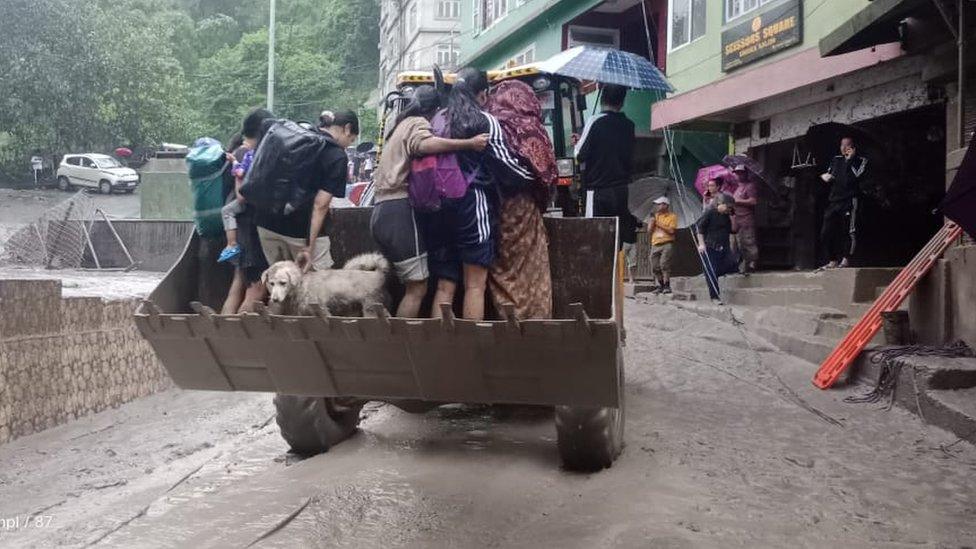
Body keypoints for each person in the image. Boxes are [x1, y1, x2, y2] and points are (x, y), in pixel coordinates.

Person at [423, 67, 534, 321]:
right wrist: (536, 178)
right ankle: (470, 352)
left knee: (444, 284)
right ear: (483, 94)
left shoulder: (439, 118)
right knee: (475, 285)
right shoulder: (484, 121)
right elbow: (509, 166)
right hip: (472, 205)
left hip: (438, 207)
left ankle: (436, 348)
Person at [369, 85, 488, 318]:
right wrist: (468, 143)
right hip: (398, 210)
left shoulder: (400, 125)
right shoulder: (418, 123)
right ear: (434, 109)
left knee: (410, 284)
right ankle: (402, 342)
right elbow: (424, 145)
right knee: (417, 287)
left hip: (380, 210)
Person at [486, 79, 557, 320]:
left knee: (502, 268)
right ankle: (534, 321)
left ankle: (506, 319)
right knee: (531, 268)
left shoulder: (490, 125)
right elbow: (546, 174)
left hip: (492, 207)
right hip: (524, 208)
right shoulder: (532, 128)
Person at [255, 110, 358, 273]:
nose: (348, 145)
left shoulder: (294, 138)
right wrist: (309, 246)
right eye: (351, 139)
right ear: (347, 128)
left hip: (265, 224)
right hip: (299, 230)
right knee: (317, 288)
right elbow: (320, 205)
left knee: (282, 285)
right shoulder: (336, 155)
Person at [221, 110, 274, 315]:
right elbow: (242, 195)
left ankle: (222, 333)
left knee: (238, 285)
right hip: (249, 231)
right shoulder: (247, 154)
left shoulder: (238, 151)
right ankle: (234, 338)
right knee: (256, 288)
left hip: (240, 231)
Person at [575, 83, 638, 249]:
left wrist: (579, 142)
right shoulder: (629, 125)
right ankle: (616, 274)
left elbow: (579, 155)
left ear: (602, 98)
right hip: (622, 192)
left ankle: (599, 274)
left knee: (596, 238)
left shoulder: (594, 121)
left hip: (598, 191)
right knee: (617, 241)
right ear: (622, 102)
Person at [820, 136, 867, 268]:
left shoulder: (861, 161)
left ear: (853, 147)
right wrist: (826, 177)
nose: (844, 148)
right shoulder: (836, 159)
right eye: (842, 145)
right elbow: (830, 173)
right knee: (826, 232)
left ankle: (846, 259)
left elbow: (857, 176)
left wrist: (850, 160)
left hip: (849, 200)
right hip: (834, 200)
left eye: (847, 146)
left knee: (848, 230)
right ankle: (832, 259)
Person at [696, 195, 737, 304]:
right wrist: (701, 244)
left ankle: (710, 275)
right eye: (728, 207)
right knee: (711, 271)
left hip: (724, 246)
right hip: (710, 246)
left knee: (732, 265)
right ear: (721, 204)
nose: (729, 210)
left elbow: (732, 230)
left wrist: (733, 216)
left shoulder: (726, 216)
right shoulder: (710, 212)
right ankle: (714, 297)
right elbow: (700, 229)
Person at [731, 165, 759, 274]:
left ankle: (752, 263)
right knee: (737, 244)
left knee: (748, 242)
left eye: (741, 172)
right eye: (737, 173)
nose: (738, 175)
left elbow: (753, 201)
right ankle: (739, 265)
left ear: (745, 173)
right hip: (736, 219)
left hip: (746, 219)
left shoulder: (750, 186)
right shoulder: (737, 187)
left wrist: (738, 201)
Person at [648, 196, 677, 295]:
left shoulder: (672, 216)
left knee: (664, 264)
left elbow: (671, 230)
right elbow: (649, 231)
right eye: (657, 204)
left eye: (659, 204)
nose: (657, 206)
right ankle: (660, 285)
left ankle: (667, 285)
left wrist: (658, 224)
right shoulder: (655, 216)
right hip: (655, 243)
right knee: (654, 266)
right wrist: (652, 223)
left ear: (665, 205)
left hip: (667, 243)